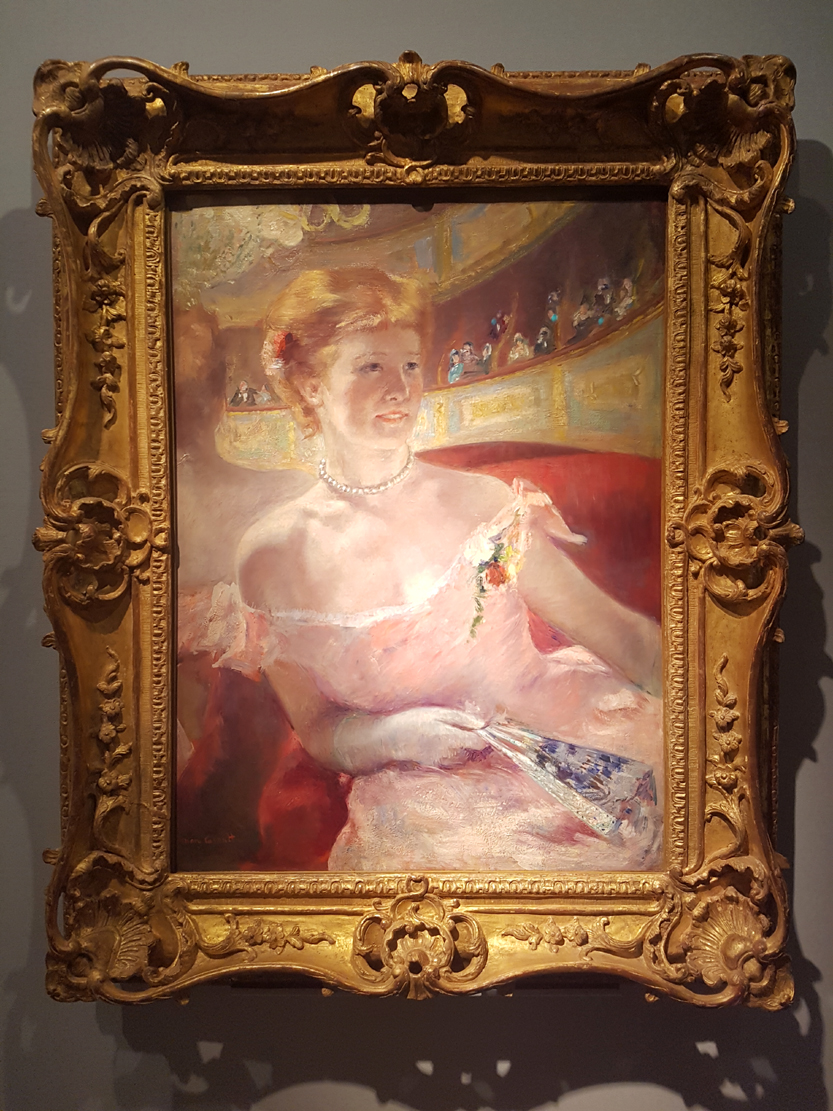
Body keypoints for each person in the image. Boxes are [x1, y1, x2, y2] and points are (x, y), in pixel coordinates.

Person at [210, 268, 662, 872]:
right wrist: (396, 738)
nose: (400, 389)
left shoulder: (483, 505)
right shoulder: (271, 557)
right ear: (312, 385)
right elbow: (317, 727)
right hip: (431, 800)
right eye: (371, 367)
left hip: (572, 730)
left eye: (410, 365)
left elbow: (623, 636)